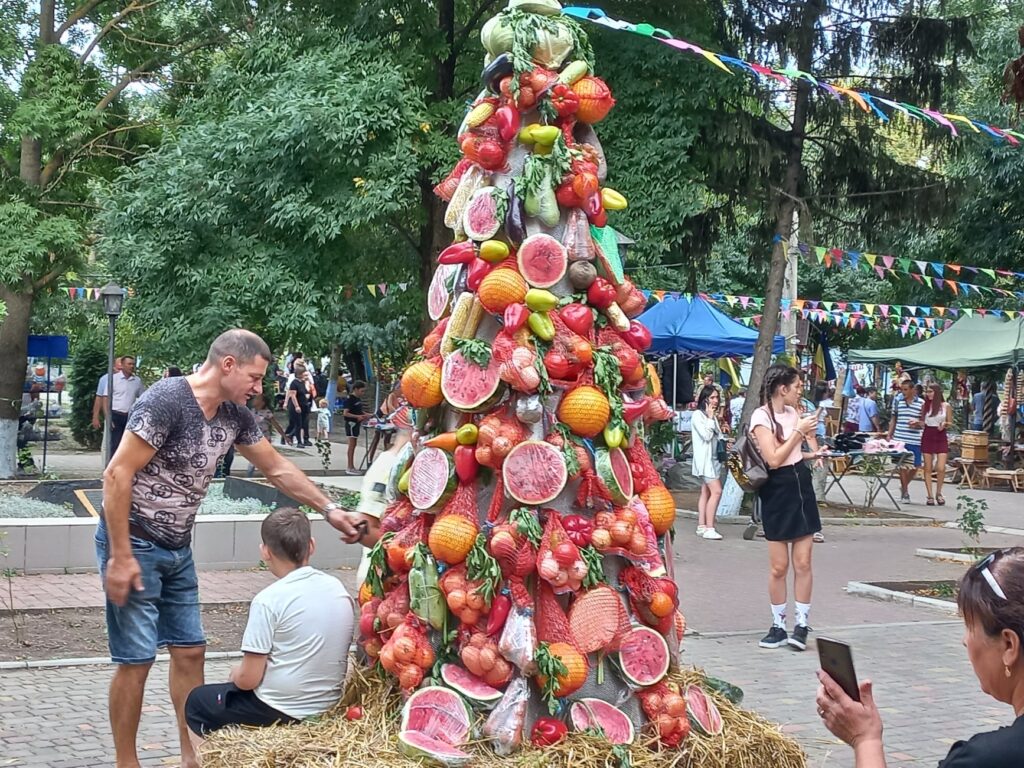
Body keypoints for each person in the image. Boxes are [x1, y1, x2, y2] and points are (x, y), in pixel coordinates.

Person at [97, 329, 367, 768]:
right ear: (228, 365)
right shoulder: (167, 400)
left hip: (178, 547)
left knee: (191, 651)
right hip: (135, 540)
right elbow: (116, 474)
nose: (258, 388)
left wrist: (330, 509)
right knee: (137, 660)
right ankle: (126, 762)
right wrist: (121, 556)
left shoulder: (234, 415)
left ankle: (192, 759)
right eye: (254, 377)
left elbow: (277, 468)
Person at [816, 547, 1024, 767]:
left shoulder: (986, 759)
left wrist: (865, 739)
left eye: (970, 626)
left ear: (1009, 645)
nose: (965, 640)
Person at [184, 507, 354, 750]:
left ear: (265, 551)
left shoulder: (268, 600)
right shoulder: (338, 589)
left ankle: (201, 763)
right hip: (328, 705)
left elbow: (248, 680)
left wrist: (235, 674)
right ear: (311, 545)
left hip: (279, 709)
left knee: (198, 701)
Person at [750, 364, 824, 651]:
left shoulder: (794, 413)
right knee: (779, 566)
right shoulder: (761, 416)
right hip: (777, 490)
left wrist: (811, 454)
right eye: (797, 386)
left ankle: (801, 624)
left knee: (803, 562)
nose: (800, 391)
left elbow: (791, 454)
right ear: (783, 389)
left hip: (800, 486)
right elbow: (773, 459)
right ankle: (778, 625)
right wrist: (799, 432)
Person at [351, 405, 414, 584]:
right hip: (381, 580)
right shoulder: (388, 466)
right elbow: (365, 526)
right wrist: (401, 556)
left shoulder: (408, 464)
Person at [691, 386, 725, 541]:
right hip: (705, 462)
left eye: (716, 397)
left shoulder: (712, 416)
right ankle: (710, 528)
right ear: (704, 399)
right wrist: (710, 418)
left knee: (706, 492)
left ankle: (702, 525)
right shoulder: (698, 415)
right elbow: (705, 435)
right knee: (716, 491)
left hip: (714, 460)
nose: (715, 401)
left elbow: (718, 435)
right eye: (712, 398)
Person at [102, 356, 146, 460]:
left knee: (128, 444)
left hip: (130, 416)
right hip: (116, 415)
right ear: (122, 365)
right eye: (129, 364)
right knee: (115, 444)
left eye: (133, 364)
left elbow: (143, 398)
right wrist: (108, 417)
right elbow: (105, 398)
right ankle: (112, 465)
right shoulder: (113, 379)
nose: (132, 366)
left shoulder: (137, 381)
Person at [889, 377, 924, 503]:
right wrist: (889, 434)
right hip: (900, 438)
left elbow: (924, 421)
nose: (903, 392)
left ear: (912, 390)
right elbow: (893, 418)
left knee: (916, 466)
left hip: (915, 439)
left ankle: (904, 485)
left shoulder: (921, 403)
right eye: (901, 390)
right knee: (902, 466)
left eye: (905, 389)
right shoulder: (898, 401)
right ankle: (905, 492)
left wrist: (917, 423)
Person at [921, 382, 953, 507]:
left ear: (937, 392)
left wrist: (945, 424)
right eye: (927, 392)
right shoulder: (925, 406)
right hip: (928, 434)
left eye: (930, 391)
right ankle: (929, 495)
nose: (928, 394)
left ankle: (939, 492)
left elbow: (950, 422)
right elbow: (922, 422)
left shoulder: (946, 406)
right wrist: (917, 423)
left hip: (941, 435)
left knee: (940, 467)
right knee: (927, 467)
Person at [343, 381, 369, 475]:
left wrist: (367, 415)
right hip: (351, 424)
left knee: (354, 444)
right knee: (351, 445)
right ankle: (350, 467)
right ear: (356, 389)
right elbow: (346, 413)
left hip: (357, 424)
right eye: (362, 391)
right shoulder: (350, 399)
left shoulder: (358, 399)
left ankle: (352, 467)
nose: (363, 393)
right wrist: (357, 417)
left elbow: (359, 411)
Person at [284, 361, 312, 447]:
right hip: (296, 406)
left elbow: (306, 392)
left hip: (304, 405)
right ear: (300, 374)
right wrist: (296, 406)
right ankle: (299, 442)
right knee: (298, 424)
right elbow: (293, 395)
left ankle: (292, 436)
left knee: (304, 423)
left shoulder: (302, 382)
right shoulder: (294, 383)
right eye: (304, 373)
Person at [92, 358, 123, 431]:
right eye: (119, 369)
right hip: (111, 414)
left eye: (122, 369)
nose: (120, 372)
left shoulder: (131, 380)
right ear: (113, 367)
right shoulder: (105, 379)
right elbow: (99, 398)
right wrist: (95, 416)